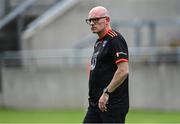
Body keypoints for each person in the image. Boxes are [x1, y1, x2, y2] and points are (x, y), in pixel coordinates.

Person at [83, 6, 129, 123]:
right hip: (95, 104)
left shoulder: (115, 39)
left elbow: (123, 71)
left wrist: (106, 93)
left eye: (96, 19)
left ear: (107, 20)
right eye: (90, 21)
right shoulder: (99, 42)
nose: (92, 23)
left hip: (111, 105)